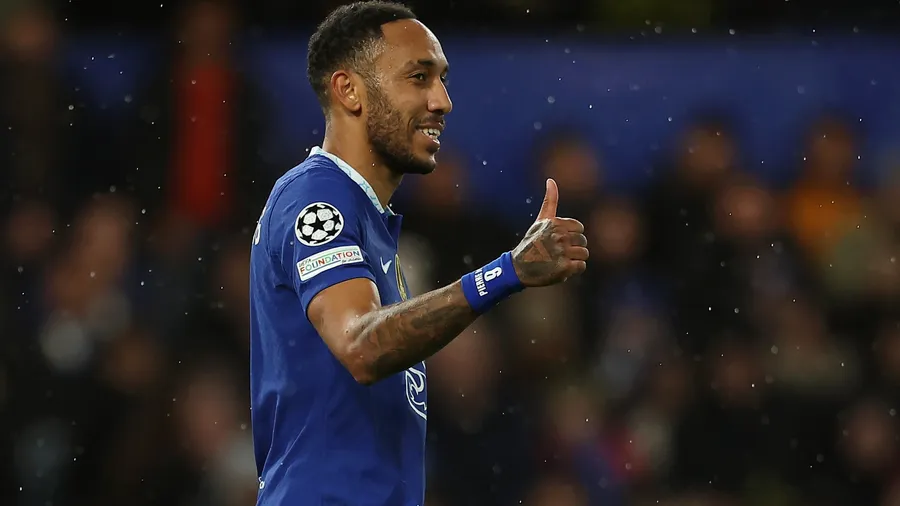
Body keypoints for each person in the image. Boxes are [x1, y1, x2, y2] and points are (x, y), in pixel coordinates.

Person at [248, 2, 589, 505]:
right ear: (349, 90)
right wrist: (505, 272)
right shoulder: (318, 199)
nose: (443, 101)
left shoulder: (371, 223)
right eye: (418, 77)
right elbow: (361, 346)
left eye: (442, 79)